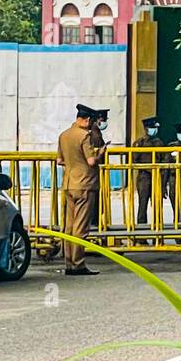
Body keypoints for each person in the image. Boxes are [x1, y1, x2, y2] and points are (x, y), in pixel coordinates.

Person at [56, 104, 107, 275]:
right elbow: (91, 161)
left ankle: (69, 262)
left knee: (69, 226)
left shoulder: (64, 135)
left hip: (69, 184)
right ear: (87, 119)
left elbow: (59, 161)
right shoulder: (85, 136)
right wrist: (101, 152)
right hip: (85, 184)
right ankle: (78, 264)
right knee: (80, 227)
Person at [133, 116, 162, 228]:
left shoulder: (159, 143)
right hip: (144, 176)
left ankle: (158, 233)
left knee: (157, 205)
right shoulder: (139, 143)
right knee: (143, 204)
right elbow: (134, 159)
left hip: (156, 176)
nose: (154, 130)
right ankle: (141, 234)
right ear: (146, 129)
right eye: (152, 127)